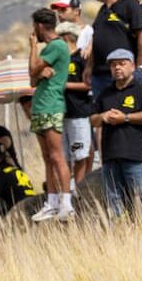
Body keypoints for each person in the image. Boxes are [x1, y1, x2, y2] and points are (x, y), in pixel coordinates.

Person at [91, 48, 142, 217]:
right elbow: (92, 119)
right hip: (110, 156)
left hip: (134, 156)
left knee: (140, 200)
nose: (117, 68)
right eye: (113, 65)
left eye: (122, 63)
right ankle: (120, 236)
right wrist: (102, 116)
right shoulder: (105, 94)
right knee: (114, 203)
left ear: (132, 66)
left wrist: (125, 118)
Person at [28, 8, 74, 222]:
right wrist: (39, 71)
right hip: (40, 106)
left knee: (57, 156)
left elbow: (32, 69)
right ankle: (52, 201)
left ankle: (66, 202)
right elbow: (33, 80)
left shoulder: (56, 46)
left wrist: (32, 48)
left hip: (51, 106)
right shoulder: (49, 50)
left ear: (39, 26)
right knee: (47, 158)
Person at [84, 0, 142, 99]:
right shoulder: (103, 10)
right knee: (102, 114)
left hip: (122, 75)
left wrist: (140, 66)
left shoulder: (130, 5)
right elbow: (95, 38)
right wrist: (89, 66)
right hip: (100, 75)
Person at [58, 21, 94, 184]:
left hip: (78, 114)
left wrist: (65, 85)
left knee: (80, 156)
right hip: (61, 114)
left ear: (66, 38)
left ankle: (79, 190)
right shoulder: (59, 61)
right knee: (64, 157)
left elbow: (88, 84)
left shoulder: (82, 58)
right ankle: (67, 192)